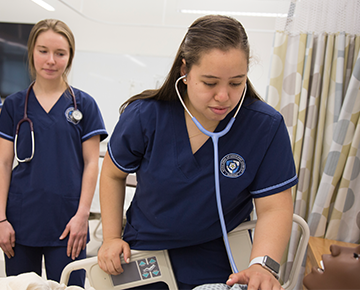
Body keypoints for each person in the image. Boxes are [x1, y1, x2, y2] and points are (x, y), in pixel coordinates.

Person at [97, 14, 297, 290]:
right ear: (185, 71)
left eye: (236, 82)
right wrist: (110, 238)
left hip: (219, 256)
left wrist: (262, 265)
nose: (224, 96)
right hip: (145, 252)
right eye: (210, 83)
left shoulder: (264, 127)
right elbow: (112, 173)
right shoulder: (146, 116)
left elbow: (275, 207)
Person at [0, 19, 107, 286]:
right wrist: (1, 218)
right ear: (31, 52)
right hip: (21, 220)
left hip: (69, 222)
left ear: (70, 56)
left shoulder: (84, 105)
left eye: (60, 53)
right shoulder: (14, 105)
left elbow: (92, 162)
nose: (51, 60)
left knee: (70, 287)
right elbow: (2, 163)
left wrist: (82, 215)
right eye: (43, 51)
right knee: (22, 286)